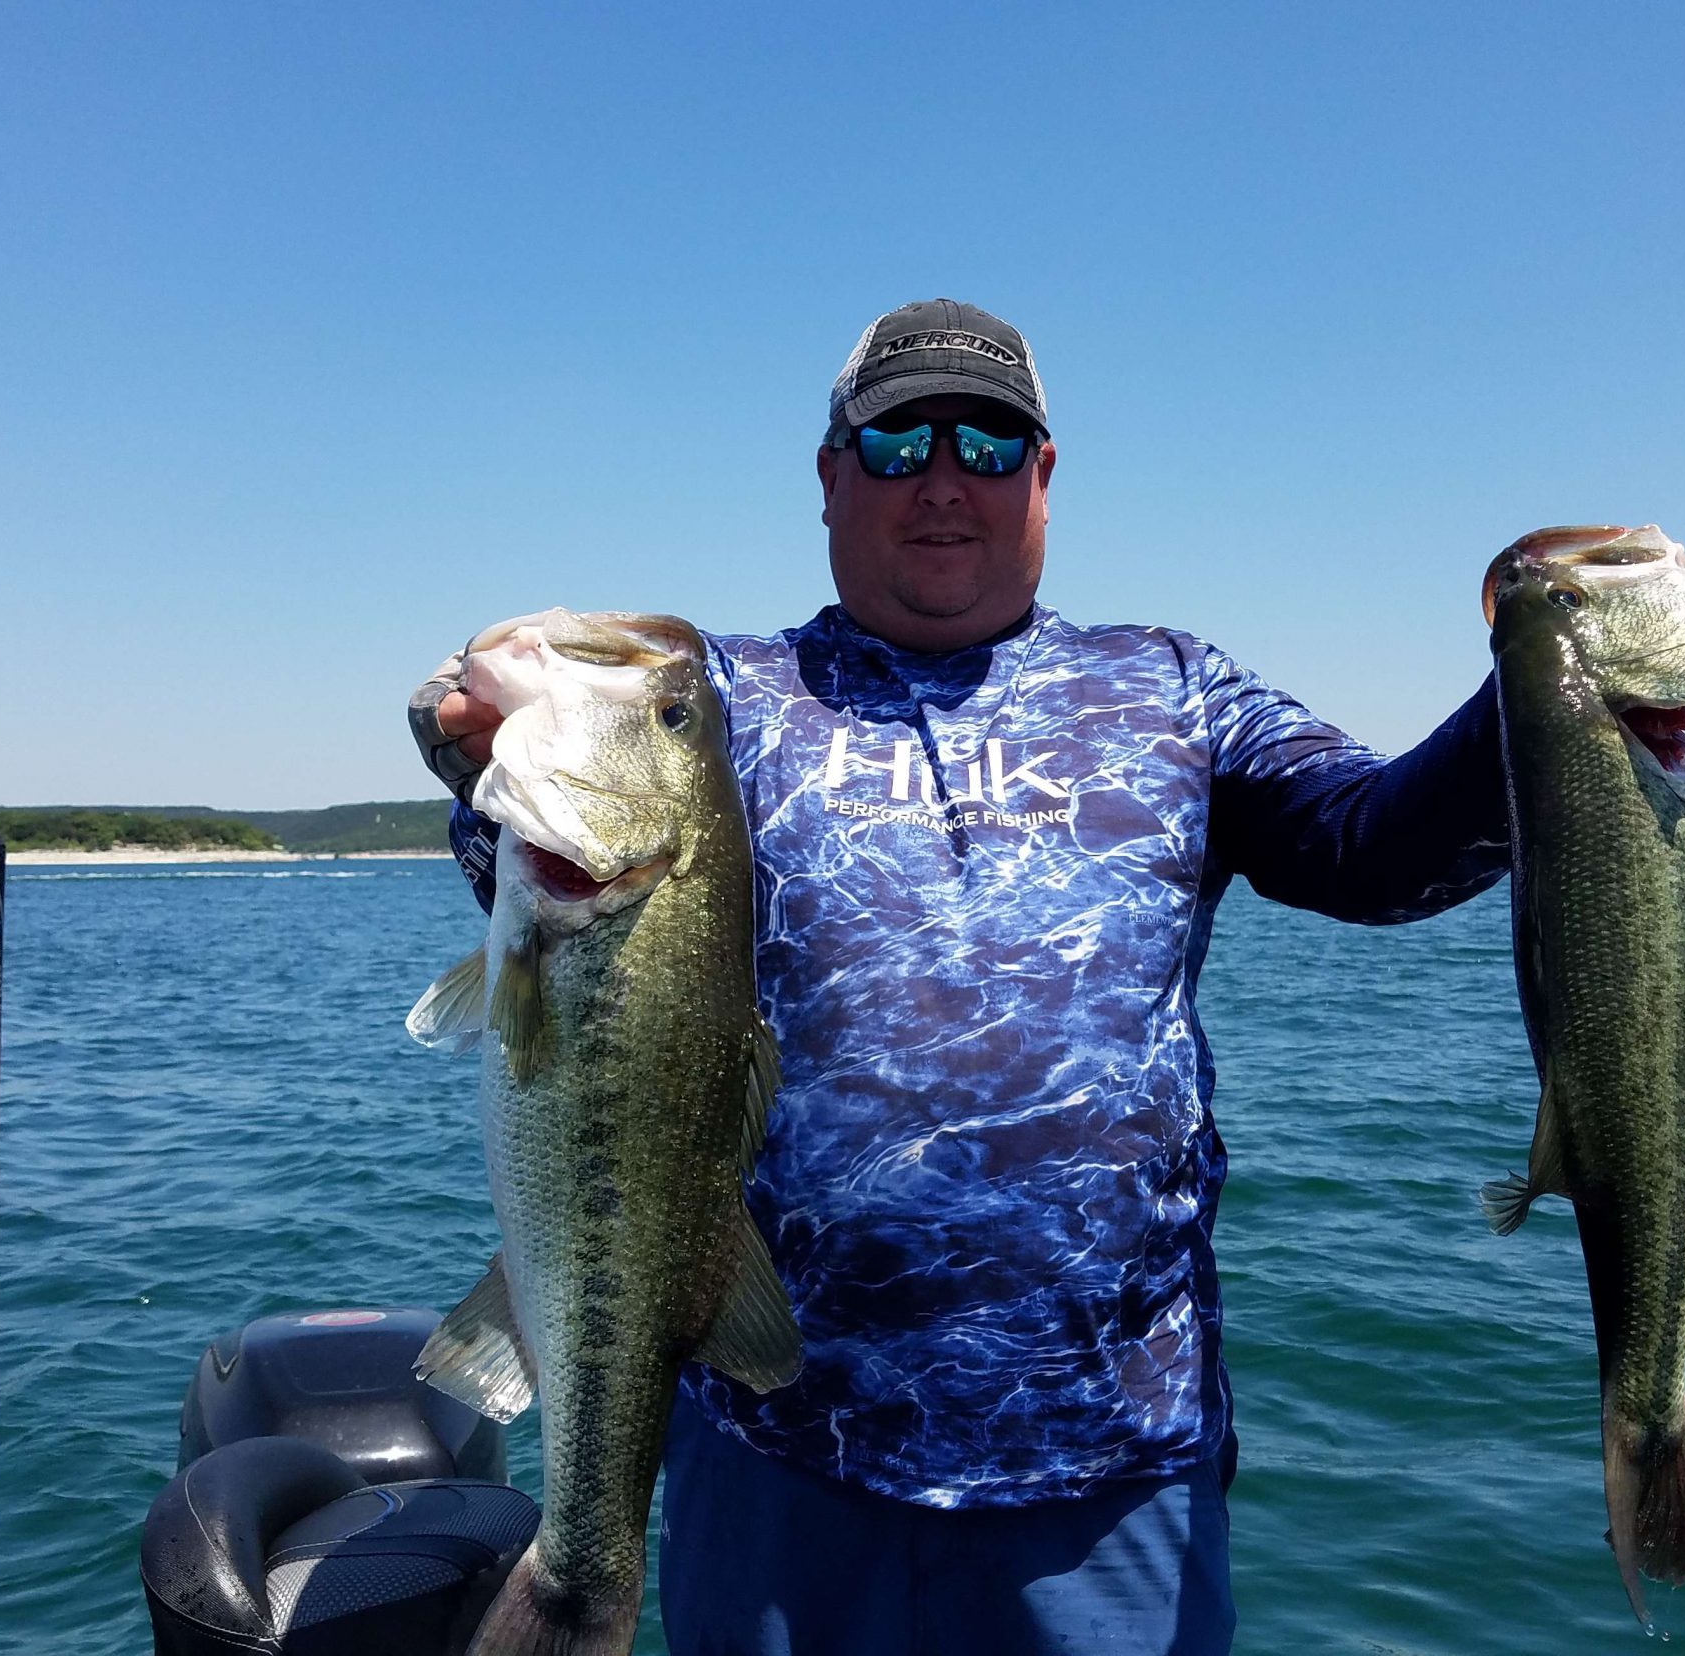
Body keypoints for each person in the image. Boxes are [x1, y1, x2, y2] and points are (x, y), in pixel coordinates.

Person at [410, 299, 1510, 1656]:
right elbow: (538, 876)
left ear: (1045, 478)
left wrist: (1541, 704)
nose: (944, 481)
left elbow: (1378, 853)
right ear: (829, 475)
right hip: (775, 1464)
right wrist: (461, 738)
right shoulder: (722, 701)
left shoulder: (1174, 692)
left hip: (1107, 1481)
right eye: (897, 442)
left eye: (991, 445)